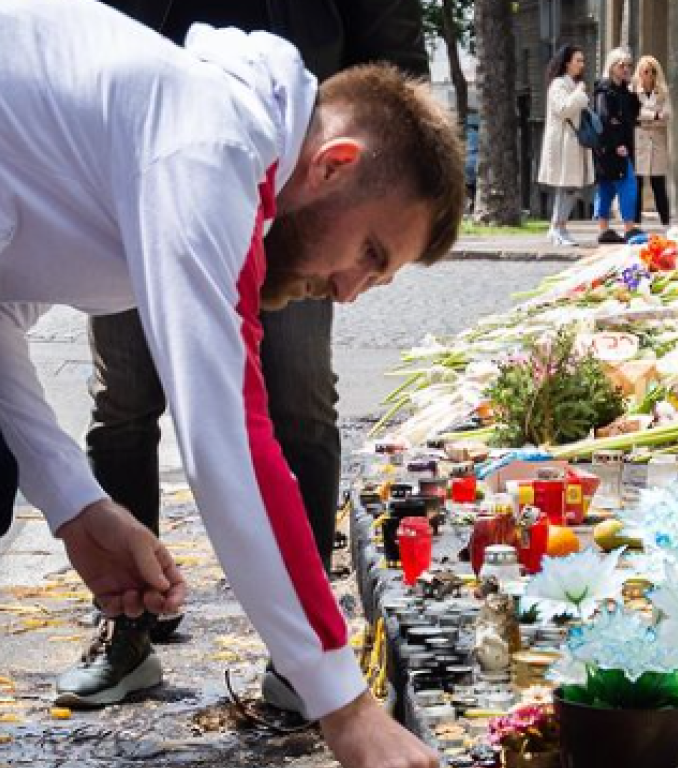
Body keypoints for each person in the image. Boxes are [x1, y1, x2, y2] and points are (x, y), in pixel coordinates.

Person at [0, 1, 463, 766]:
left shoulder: (205, 137)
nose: (351, 290)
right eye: (370, 252)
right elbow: (229, 437)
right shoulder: (209, 145)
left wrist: (77, 505)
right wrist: (345, 707)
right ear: (336, 164)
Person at [65, 0, 428, 713]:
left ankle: (302, 651)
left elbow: (391, 46)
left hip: (298, 178)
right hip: (137, 146)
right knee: (127, 401)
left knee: (295, 405)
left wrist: (370, 156)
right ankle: (126, 625)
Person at [537, 45, 593, 248]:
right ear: (567, 62)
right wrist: (579, 94)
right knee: (565, 186)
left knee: (572, 187)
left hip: (574, 143)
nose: (581, 64)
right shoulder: (558, 85)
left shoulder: (574, 84)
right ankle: (557, 227)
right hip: (563, 143)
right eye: (578, 60)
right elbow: (563, 109)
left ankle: (559, 226)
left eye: (583, 60)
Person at [593, 47, 644, 245]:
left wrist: (633, 91)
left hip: (617, 146)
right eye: (621, 65)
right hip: (611, 148)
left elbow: (632, 115)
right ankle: (629, 227)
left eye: (628, 65)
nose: (626, 69)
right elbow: (605, 120)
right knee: (627, 183)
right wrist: (616, 145)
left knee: (606, 186)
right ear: (612, 67)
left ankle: (604, 229)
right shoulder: (604, 91)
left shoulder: (623, 90)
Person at [632, 55, 673, 229]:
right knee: (637, 184)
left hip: (657, 139)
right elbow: (634, 113)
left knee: (659, 183)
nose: (649, 75)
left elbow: (667, 114)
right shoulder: (632, 91)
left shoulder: (662, 92)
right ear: (640, 73)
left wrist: (649, 116)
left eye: (653, 71)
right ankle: (635, 223)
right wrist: (654, 115)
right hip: (639, 139)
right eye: (646, 71)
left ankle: (666, 222)